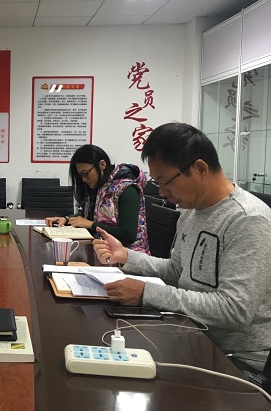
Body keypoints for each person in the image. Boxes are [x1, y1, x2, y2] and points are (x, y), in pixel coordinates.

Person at [93, 122, 271, 371]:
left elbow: (235, 309)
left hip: (234, 361)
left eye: (165, 182)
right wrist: (126, 256)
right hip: (189, 334)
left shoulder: (248, 220)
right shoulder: (190, 211)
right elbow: (178, 271)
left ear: (200, 169)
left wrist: (146, 293)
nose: (162, 193)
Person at [46, 144, 149, 253]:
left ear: (102, 165)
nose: (83, 179)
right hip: (103, 250)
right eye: (81, 175)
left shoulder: (127, 189)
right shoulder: (100, 185)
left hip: (128, 255)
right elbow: (92, 214)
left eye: (86, 173)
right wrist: (67, 219)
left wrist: (91, 224)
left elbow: (128, 235)